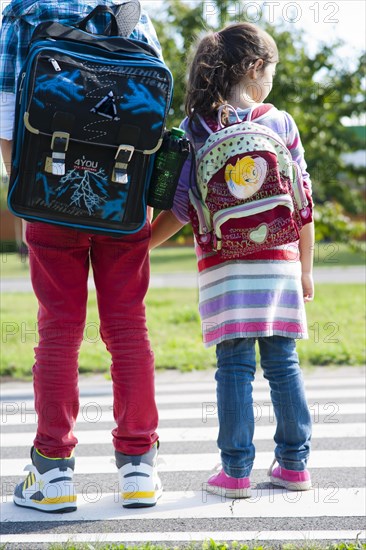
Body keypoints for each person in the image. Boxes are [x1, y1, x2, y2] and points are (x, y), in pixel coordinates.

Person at [0, 0, 163, 512]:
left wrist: (30, 193)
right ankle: (138, 468)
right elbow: (152, 121)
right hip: (124, 202)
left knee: (58, 331)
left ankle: (53, 473)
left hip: (48, 199)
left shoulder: (21, 14)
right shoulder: (129, 12)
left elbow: (7, 124)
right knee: (128, 328)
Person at [150, 22, 314, 498]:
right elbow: (303, 200)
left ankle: (236, 471)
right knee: (284, 363)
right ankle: (295, 465)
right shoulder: (280, 123)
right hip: (280, 265)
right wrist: (305, 267)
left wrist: (141, 247)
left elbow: (180, 208)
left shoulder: (194, 129)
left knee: (235, 368)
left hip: (224, 270)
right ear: (256, 68)